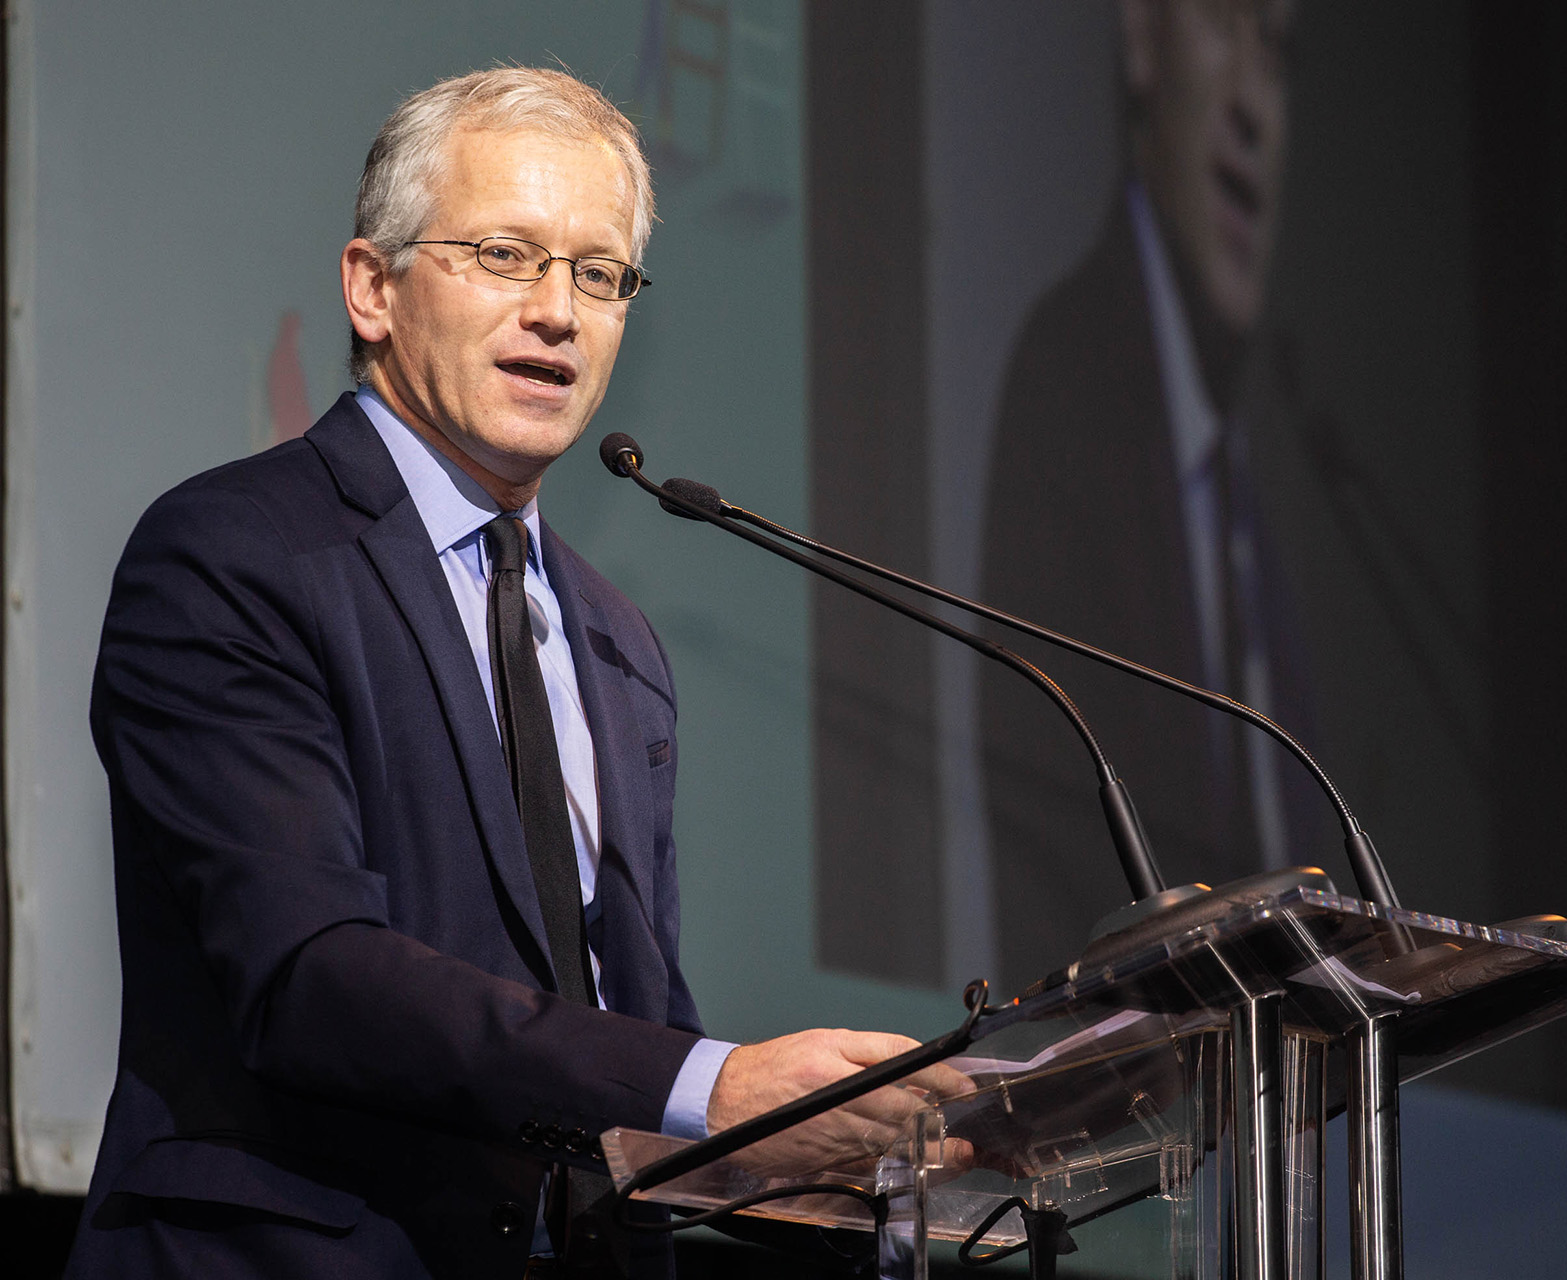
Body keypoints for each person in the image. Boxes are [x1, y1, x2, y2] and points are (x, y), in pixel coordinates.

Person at [69, 67, 962, 1280]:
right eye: (506, 254)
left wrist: (790, 1144)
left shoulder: (614, 640)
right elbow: (312, 975)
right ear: (372, 288)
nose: (559, 311)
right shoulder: (235, 553)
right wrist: (720, 1082)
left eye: (599, 274)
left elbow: (630, 1037)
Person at [980, 0, 1326, 987]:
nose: (1255, 106)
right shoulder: (1067, 385)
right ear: (1139, 37)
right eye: (1226, 23)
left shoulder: (1265, 475)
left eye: (1282, 52)